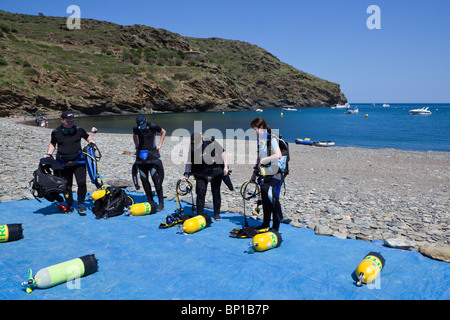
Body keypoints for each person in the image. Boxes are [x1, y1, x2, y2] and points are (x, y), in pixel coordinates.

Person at [44, 110, 96, 215]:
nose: (71, 122)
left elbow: (88, 137)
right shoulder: (56, 132)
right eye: (68, 120)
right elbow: (53, 144)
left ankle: (81, 204)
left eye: (72, 120)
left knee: (81, 183)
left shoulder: (79, 130)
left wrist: (92, 142)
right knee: (67, 185)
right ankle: (70, 204)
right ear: (62, 120)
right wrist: (48, 154)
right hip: (63, 163)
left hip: (79, 162)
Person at [181, 132, 229, 221]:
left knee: (216, 192)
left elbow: (223, 152)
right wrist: (186, 174)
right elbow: (189, 162)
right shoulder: (192, 148)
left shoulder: (211, 143)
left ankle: (217, 214)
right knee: (200, 192)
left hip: (215, 171)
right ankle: (199, 214)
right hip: (201, 172)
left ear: (202, 141)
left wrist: (225, 166)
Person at [249, 118, 283, 231]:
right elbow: (259, 158)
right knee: (265, 201)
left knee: (273, 200)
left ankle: (276, 227)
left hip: (275, 175)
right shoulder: (260, 140)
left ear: (261, 128)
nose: (253, 131)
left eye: (254, 129)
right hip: (264, 174)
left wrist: (265, 160)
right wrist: (254, 174)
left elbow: (278, 155)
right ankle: (266, 223)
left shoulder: (272, 138)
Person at [133, 115, 166, 212]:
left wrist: (160, 145)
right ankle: (150, 200)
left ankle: (161, 203)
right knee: (144, 179)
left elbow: (163, 131)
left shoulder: (152, 126)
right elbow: (134, 135)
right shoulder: (136, 128)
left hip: (152, 156)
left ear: (146, 121)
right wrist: (136, 146)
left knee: (156, 179)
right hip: (141, 157)